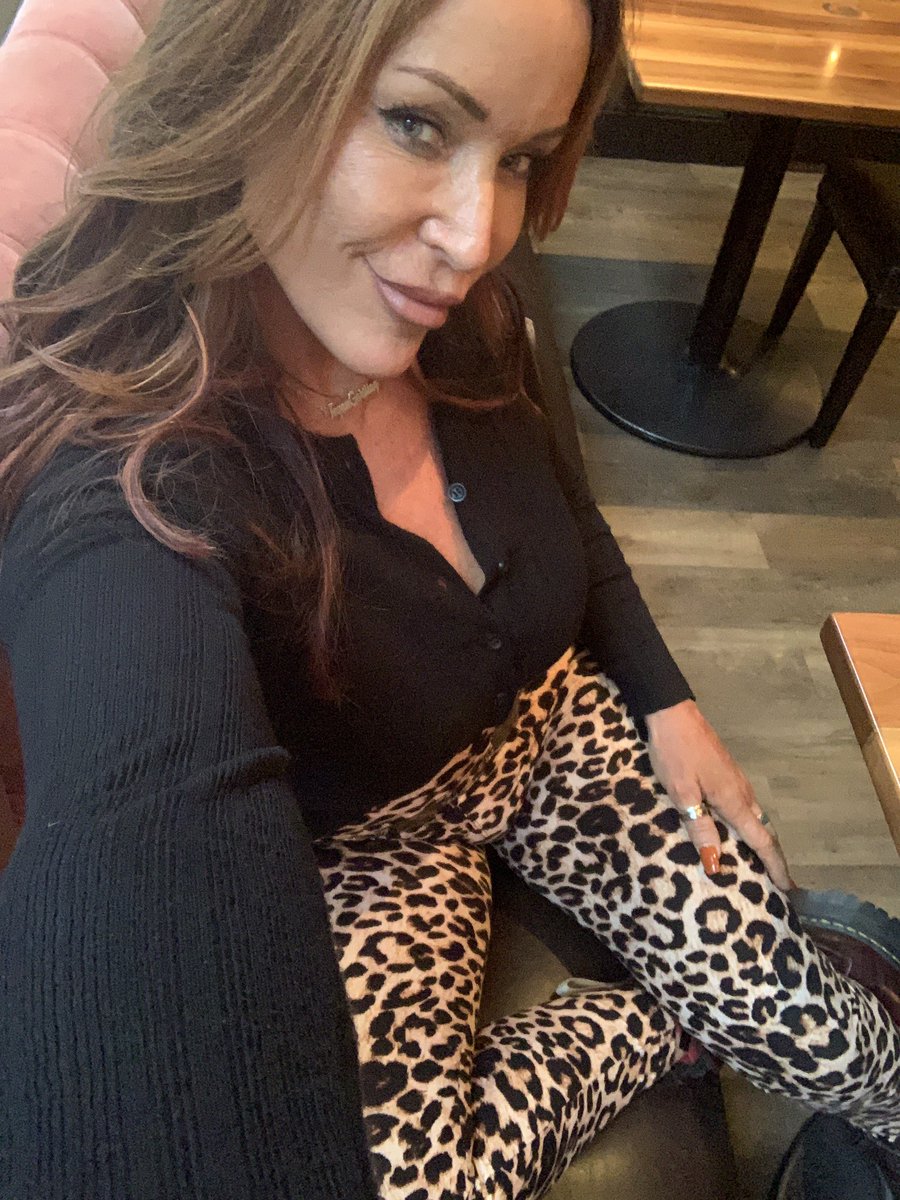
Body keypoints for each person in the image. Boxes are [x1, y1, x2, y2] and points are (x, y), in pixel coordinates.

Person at [0, 0, 897, 1197]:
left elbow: (567, 506)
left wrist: (666, 695)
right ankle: (672, 1021)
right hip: (373, 851)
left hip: (550, 730)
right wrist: (672, 1010)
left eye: (522, 158)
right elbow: (136, 827)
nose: (477, 237)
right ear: (257, 78)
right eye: (418, 123)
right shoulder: (138, 476)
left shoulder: (461, 318)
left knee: (841, 1046)